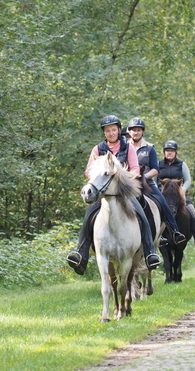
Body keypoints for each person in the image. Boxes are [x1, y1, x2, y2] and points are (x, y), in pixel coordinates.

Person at [66, 115, 161, 275]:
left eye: (114, 130)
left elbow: (135, 170)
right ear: (104, 133)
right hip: (103, 191)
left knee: (142, 214)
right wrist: (99, 178)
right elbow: (89, 170)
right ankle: (81, 254)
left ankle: (150, 252)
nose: (111, 133)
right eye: (107, 131)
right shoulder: (97, 149)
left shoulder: (128, 148)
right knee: (89, 216)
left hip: (123, 191)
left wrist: (119, 178)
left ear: (118, 131)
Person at [126, 117, 188, 248]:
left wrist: (145, 176)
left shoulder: (149, 148)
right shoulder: (124, 147)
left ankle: (175, 231)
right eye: (133, 130)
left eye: (138, 130)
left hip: (146, 183)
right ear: (129, 131)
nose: (136, 132)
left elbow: (156, 169)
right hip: (128, 185)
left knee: (162, 202)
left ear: (142, 132)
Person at [156, 140, 195, 250]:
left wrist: (182, 190)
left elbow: (188, 180)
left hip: (180, 196)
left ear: (176, 152)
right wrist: (158, 192)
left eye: (172, 151)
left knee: (192, 212)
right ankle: (155, 238)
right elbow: (154, 181)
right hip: (163, 196)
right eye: (167, 151)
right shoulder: (158, 164)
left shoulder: (181, 164)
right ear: (164, 152)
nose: (169, 153)